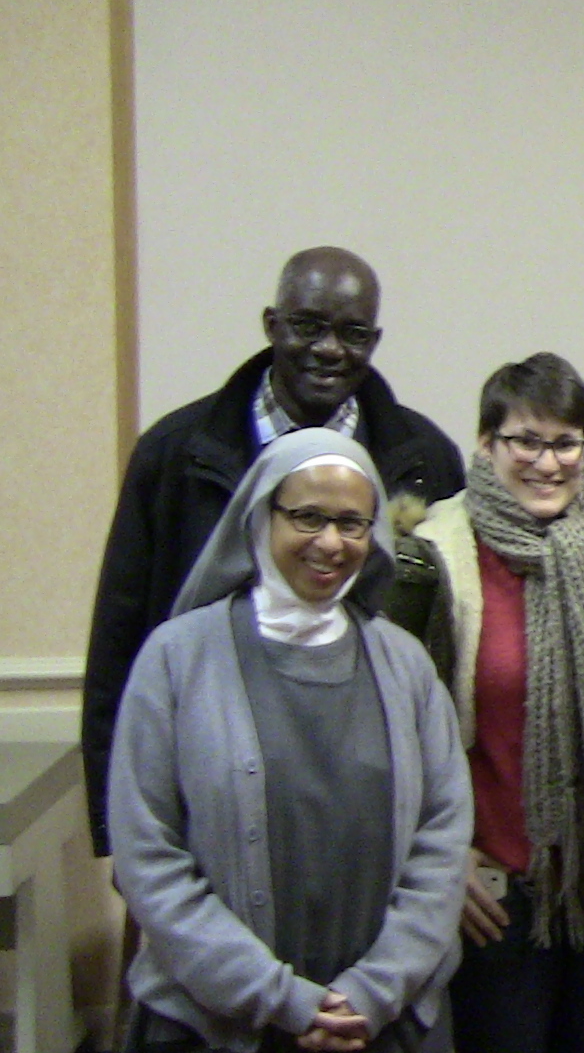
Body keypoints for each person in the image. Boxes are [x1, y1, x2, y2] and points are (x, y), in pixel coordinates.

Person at [83, 246, 464, 855]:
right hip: (205, 800)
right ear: (272, 325)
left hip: (365, 804)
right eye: (308, 325)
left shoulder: (425, 461)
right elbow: (118, 641)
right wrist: (120, 831)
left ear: (375, 339)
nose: (329, 349)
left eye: (353, 332)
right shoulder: (176, 455)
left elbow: (451, 648)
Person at [107, 429, 470, 1052]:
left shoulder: (406, 666)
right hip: (211, 1025)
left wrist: (370, 993)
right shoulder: (176, 659)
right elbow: (149, 860)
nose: (331, 542)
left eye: (353, 524)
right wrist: (282, 999)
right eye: (308, 517)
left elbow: (441, 844)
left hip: (380, 1024)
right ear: (260, 515)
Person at [384, 354, 584, 1053]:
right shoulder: (433, 559)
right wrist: (439, 857)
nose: (548, 462)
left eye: (566, 442)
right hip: (493, 899)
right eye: (525, 440)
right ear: (484, 442)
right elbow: (392, 734)